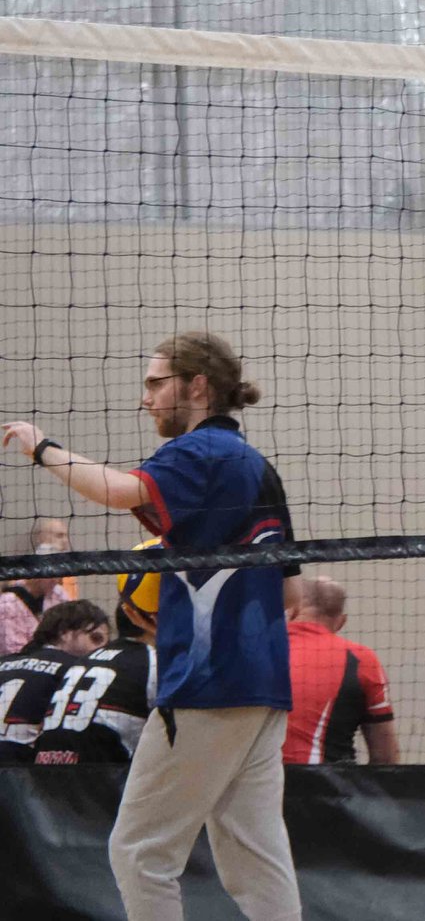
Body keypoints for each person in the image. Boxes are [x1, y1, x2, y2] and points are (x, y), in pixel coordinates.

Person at [3, 332, 302, 921]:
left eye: (155, 383)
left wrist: (43, 448)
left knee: (139, 851)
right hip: (264, 685)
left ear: (197, 386)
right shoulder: (258, 468)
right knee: (254, 858)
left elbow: (121, 491)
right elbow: (291, 594)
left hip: (209, 683)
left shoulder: (199, 451)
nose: (146, 398)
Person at [282, 576, 398, 765]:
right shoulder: (362, 659)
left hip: (262, 780)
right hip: (331, 781)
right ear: (341, 622)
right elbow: (385, 757)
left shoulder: (262, 651)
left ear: (292, 610)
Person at [32, 597, 155, 766]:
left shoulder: (83, 661)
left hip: (41, 769)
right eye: (95, 638)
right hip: (102, 773)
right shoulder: (152, 659)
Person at [0, 599, 114, 762]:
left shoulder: (4, 662)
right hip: (20, 765)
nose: (101, 650)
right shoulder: (76, 669)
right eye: (95, 638)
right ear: (64, 632)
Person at [0, 518, 75, 655]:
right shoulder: (9, 602)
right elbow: (12, 650)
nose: (55, 579)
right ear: (35, 571)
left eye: (59, 573)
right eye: (51, 573)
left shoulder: (59, 595)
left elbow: (72, 631)